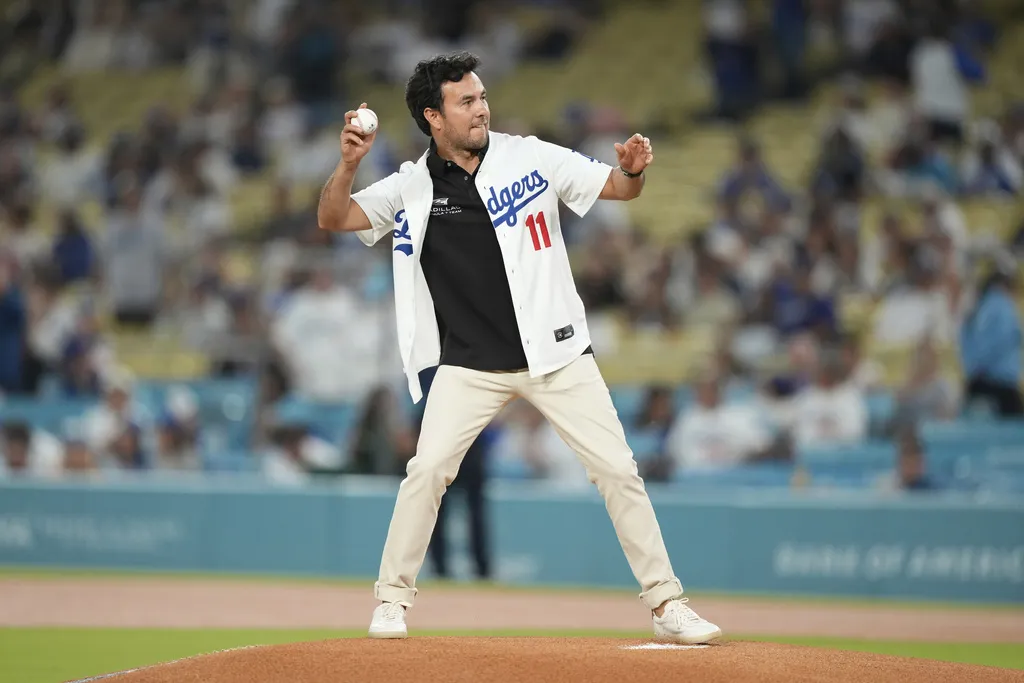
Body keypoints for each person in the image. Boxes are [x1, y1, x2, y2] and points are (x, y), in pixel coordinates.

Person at [317, 51, 721, 644]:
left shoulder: (530, 155)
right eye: (466, 101)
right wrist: (349, 164)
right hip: (469, 362)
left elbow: (617, 187)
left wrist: (633, 172)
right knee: (426, 471)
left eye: (481, 97)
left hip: (557, 353)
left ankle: (667, 604)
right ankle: (391, 601)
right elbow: (335, 218)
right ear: (433, 116)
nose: (482, 109)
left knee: (618, 470)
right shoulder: (411, 185)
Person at [959, 266, 1022, 416]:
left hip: (976, 382)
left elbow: (965, 341)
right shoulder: (1003, 306)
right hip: (1000, 383)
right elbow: (1002, 341)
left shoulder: (977, 308)